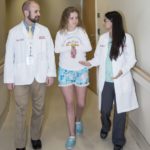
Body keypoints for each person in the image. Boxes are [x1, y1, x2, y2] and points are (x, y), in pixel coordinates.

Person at [79, 11, 139, 150]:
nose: (104, 22)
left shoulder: (126, 38)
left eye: (106, 20)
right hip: (106, 81)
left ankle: (118, 140)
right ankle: (106, 126)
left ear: (113, 22)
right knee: (105, 109)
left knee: (120, 112)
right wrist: (88, 63)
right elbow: (98, 58)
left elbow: (132, 59)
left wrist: (122, 71)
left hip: (121, 81)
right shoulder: (103, 38)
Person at [4, 0, 56, 150]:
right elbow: (9, 57)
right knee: (20, 111)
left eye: (39, 11)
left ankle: (35, 137)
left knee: (39, 109)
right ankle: (20, 144)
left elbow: (50, 54)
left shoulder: (44, 31)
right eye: (36, 11)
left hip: (39, 76)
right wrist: (9, 79)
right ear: (26, 12)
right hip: (20, 78)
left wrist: (51, 73)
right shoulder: (14, 32)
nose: (39, 14)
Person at [55, 6, 92, 150]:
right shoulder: (60, 33)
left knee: (81, 103)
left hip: (81, 69)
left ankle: (78, 120)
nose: (75, 21)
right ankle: (71, 135)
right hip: (65, 70)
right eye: (72, 18)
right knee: (69, 104)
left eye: (76, 18)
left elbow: (88, 47)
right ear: (66, 18)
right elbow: (57, 49)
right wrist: (70, 48)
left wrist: (76, 47)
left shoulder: (81, 31)